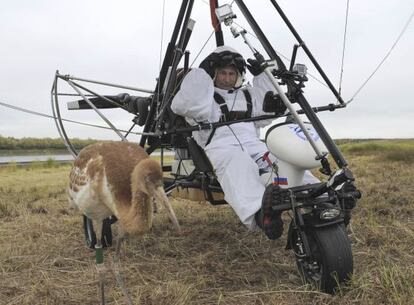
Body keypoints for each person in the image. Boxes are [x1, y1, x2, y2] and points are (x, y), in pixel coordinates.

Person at [171, 46, 315, 239]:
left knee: (280, 160)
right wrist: (201, 74)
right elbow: (185, 106)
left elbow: (269, 109)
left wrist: (263, 76)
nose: (227, 78)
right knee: (239, 163)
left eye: (232, 73)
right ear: (213, 74)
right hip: (221, 147)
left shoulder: (247, 94)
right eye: (222, 73)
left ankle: (318, 197)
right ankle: (261, 214)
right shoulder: (204, 96)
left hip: (254, 144)